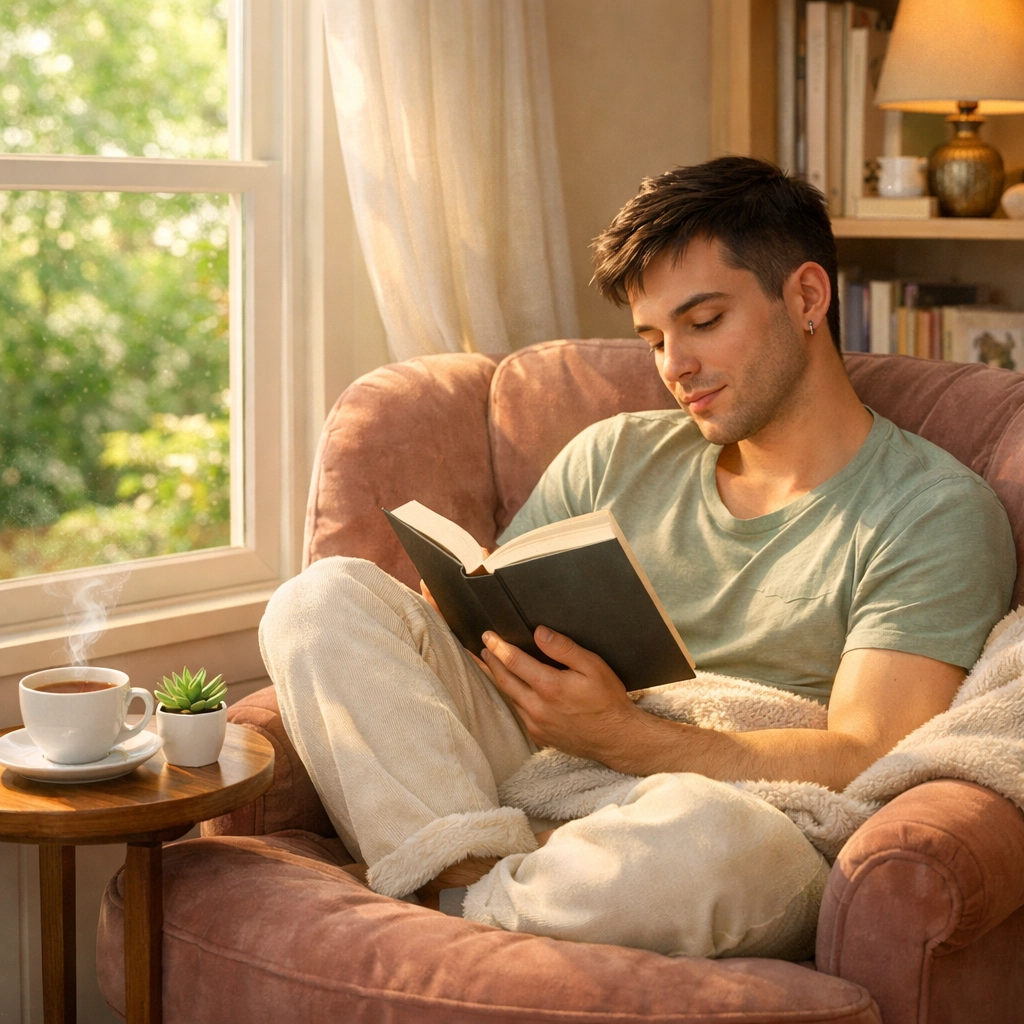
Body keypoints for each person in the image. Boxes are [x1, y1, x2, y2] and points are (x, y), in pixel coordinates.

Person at [259, 157, 1014, 958]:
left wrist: (625, 738)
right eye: (654, 337)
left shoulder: (930, 509)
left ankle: (452, 915)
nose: (673, 365)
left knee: (716, 848)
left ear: (806, 297)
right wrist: (453, 620)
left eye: (703, 320)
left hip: (734, 806)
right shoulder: (610, 455)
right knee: (320, 599)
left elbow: (870, 754)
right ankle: (478, 882)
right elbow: (490, 650)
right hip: (547, 762)